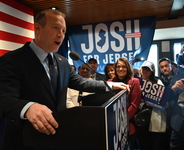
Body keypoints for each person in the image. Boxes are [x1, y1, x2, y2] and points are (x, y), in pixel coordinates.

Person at [0, 9, 129, 150]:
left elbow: (81, 82)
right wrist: (27, 108)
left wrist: (110, 85)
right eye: (56, 27)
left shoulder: (62, 61)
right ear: (37, 28)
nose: (61, 34)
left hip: (57, 138)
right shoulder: (12, 60)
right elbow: (4, 99)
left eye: (63, 30)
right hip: (23, 141)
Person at [108, 57, 141, 150]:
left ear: (128, 68)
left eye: (123, 66)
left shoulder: (135, 82)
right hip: (112, 126)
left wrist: (122, 121)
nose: (121, 69)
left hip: (128, 125)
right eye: (118, 66)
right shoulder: (110, 83)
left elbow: (134, 105)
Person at [137, 61, 166, 150]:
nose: (145, 71)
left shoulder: (158, 82)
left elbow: (163, 99)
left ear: (152, 71)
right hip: (141, 115)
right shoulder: (136, 82)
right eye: (144, 69)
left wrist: (153, 103)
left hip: (155, 114)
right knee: (143, 143)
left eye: (148, 69)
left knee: (155, 144)